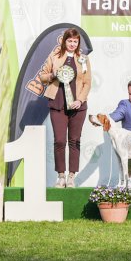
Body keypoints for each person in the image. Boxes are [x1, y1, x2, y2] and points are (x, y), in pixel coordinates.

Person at [39, 28, 91, 188]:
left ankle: (71, 177)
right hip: (57, 103)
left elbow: (87, 82)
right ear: (64, 41)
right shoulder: (54, 56)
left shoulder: (83, 59)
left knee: (74, 141)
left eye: (75, 41)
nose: (72, 44)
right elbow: (42, 76)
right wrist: (53, 75)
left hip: (78, 106)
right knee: (60, 141)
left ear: (78, 43)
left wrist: (80, 100)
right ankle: (61, 176)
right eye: (70, 41)